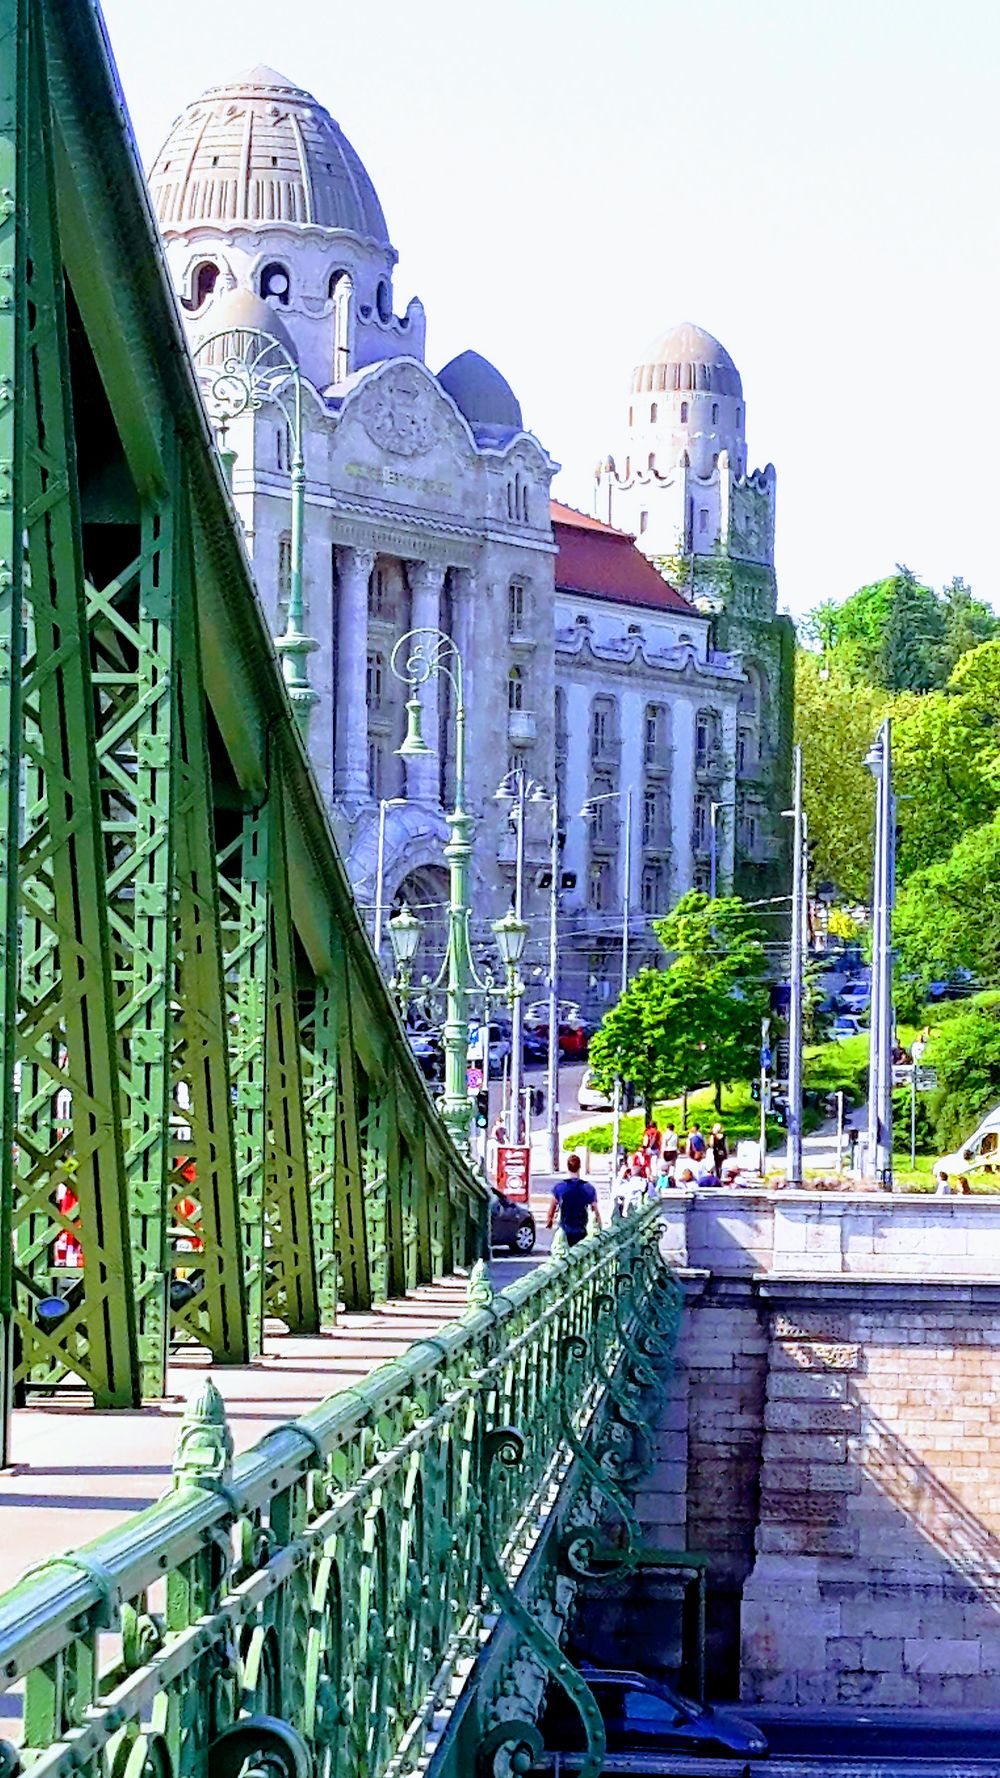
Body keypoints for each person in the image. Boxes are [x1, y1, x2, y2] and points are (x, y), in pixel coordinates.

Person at [547, 1153, 601, 1247]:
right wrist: (599, 1226)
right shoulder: (588, 1188)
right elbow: (595, 1210)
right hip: (581, 1229)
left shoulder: (560, 1187)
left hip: (565, 1229)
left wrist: (550, 1221)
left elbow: (552, 1208)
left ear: (567, 1167)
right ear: (580, 1167)